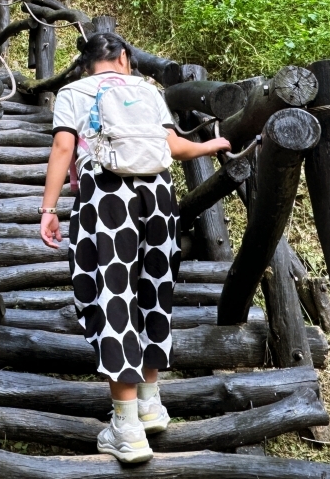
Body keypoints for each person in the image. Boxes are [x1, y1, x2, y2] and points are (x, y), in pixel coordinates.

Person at [39, 33, 230, 464]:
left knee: (112, 295)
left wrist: (48, 208)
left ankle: (126, 428)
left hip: (107, 196)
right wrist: (210, 145)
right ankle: (150, 401)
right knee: (152, 290)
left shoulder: (73, 92)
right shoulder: (147, 90)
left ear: (86, 65)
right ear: (125, 59)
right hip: (159, 197)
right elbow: (175, 146)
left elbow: (63, 147)